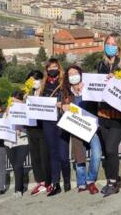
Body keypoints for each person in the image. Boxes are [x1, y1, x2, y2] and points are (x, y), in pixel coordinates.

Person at [61, 64, 102, 194]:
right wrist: (63, 107)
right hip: (76, 128)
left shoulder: (88, 88)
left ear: (80, 73)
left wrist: (86, 91)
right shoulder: (66, 93)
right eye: (70, 74)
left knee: (97, 153)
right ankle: (81, 183)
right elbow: (62, 108)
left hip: (90, 127)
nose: (73, 76)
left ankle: (90, 180)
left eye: (75, 73)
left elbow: (98, 100)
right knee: (79, 156)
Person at [97, 33, 121, 196]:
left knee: (110, 148)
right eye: (107, 43)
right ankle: (116, 178)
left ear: (119, 47)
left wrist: (116, 79)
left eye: (113, 44)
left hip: (118, 114)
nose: (110, 46)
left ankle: (113, 182)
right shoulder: (100, 64)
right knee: (107, 151)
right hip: (103, 113)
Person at [41, 58, 71, 196]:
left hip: (62, 120)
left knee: (64, 155)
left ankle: (67, 181)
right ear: (46, 70)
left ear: (59, 68)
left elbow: (71, 99)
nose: (52, 69)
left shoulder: (65, 83)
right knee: (53, 154)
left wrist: (63, 104)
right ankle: (56, 183)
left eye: (55, 66)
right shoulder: (42, 85)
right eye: (50, 67)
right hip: (48, 122)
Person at [25, 70, 52, 196]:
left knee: (44, 155)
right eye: (30, 80)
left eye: (34, 79)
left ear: (41, 80)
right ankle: (40, 181)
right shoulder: (28, 93)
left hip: (43, 128)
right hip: (31, 129)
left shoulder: (46, 92)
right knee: (35, 156)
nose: (33, 82)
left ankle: (48, 181)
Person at [5, 90, 30, 197]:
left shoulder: (26, 110)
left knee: (19, 164)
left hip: (23, 140)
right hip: (9, 142)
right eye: (12, 101)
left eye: (16, 101)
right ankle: (20, 186)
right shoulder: (6, 112)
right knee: (15, 166)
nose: (13, 103)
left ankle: (18, 189)